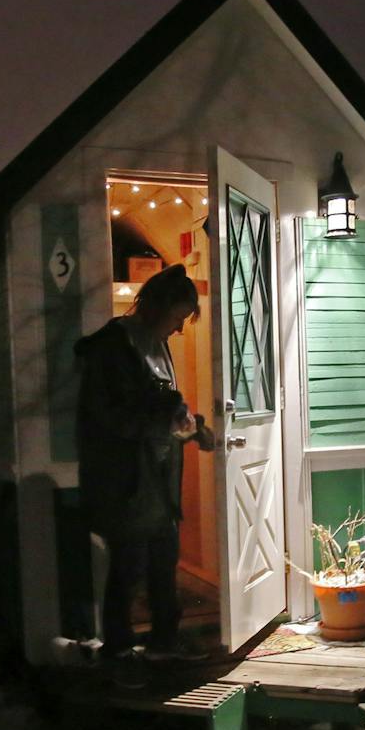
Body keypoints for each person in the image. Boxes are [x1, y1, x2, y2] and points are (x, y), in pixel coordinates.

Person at [74, 264, 216, 686]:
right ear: (155, 307)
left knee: (163, 562)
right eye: (177, 318)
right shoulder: (113, 347)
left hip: (157, 479)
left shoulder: (155, 343)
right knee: (128, 567)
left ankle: (163, 641)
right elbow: (110, 418)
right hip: (126, 482)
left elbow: (165, 407)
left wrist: (192, 428)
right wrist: (167, 420)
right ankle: (118, 651)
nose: (178, 329)